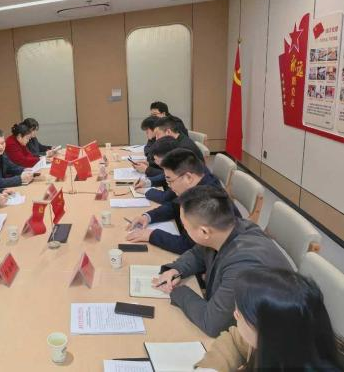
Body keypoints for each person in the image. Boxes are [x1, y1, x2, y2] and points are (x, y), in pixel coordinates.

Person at [152, 186, 292, 337]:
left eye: (185, 226)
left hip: (270, 339)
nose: (185, 230)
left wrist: (177, 290)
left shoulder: (242, 266)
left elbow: (212, 324)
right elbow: (198, 253)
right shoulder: (230, 228)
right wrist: (176, 269)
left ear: (204, 232)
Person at [196, 269, 340, 371]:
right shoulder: (289, 338)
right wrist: (209, 369)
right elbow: (235, 339)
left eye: (240, 314)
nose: (235, 315)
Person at [126, 149, 240, 254]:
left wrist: (151, 235)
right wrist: (148, 217)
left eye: (170, 181)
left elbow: (187, 246)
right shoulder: (197, 183)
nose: (169, 186)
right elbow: (174, 206)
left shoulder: (206, 200)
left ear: (188, 178)